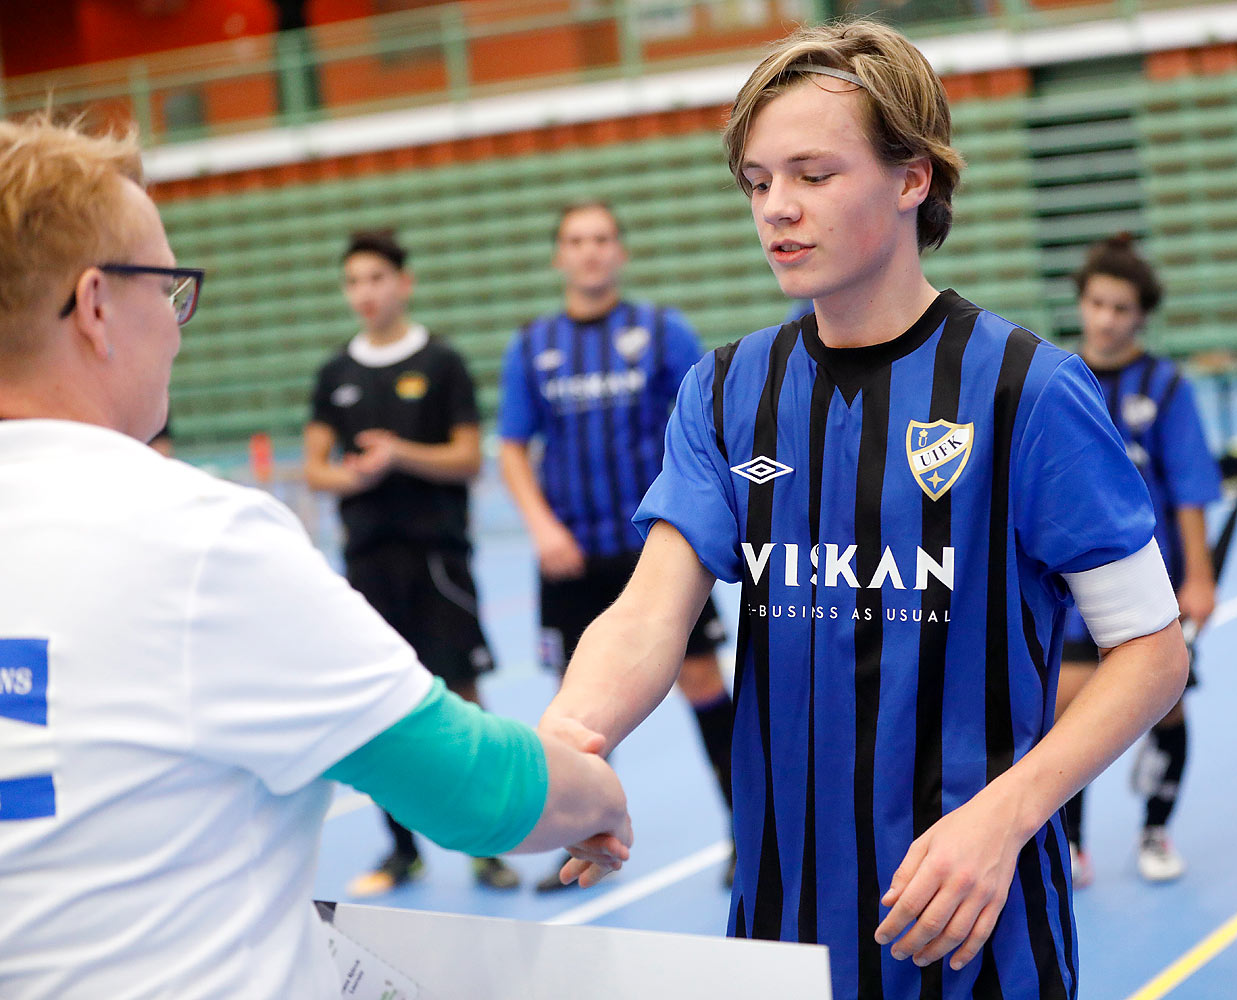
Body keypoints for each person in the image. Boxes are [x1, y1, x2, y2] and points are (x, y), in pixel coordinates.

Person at [539, 22, 1189, 999]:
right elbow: (649, 610)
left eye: (812, 174)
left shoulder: (1029, 390)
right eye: (758, 182)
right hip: (777, 930)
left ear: (913, 178)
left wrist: (1008, 815)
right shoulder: (724, 393)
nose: (776, 210)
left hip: (972, 921)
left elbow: (1152, 648)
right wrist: (567, 741)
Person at [0, 114, 630, 999]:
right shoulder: (201, 541)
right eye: (168, 289)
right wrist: (595, 793)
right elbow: (485, 792)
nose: (178, 329)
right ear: (98, 306)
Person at [499, 201, 736, 890]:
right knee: (581, 703)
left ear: (620, 252)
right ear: (559, 257)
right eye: (576, 241)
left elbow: (708, 427)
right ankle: (582, 844)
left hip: (654, 553)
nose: (591, 252)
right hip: (572, 554)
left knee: (701, 684)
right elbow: (513, 449)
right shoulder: (532, 344)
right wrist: (543, 528)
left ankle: (744, 834)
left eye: (603, 239)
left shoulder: (661, 332)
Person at [304, 230, 521, 895]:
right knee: (378, 705)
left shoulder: (443, 361)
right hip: (368, 566)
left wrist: (400, 454)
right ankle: (403, 849)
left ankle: (488, 846)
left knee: (463, 695)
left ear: (404, 282)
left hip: (438, 562)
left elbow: (467, 458)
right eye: (353, 282)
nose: (364, 293)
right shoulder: (334, 373)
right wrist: (356, 476)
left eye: (376, 278)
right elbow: (316, 468)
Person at [1056, 236, 1220, 888]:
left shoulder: (1166, 387)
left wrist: (1200, 577)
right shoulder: (1057, 378)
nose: (1106, 319)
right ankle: (1070, 844)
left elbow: (1191, 488)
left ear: (1140, 316)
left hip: (1153, 588)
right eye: (1096, 303)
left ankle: (1155, 828)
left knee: (1164, 708)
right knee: (1068, 711)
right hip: (1070, 588)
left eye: (1120, 308)